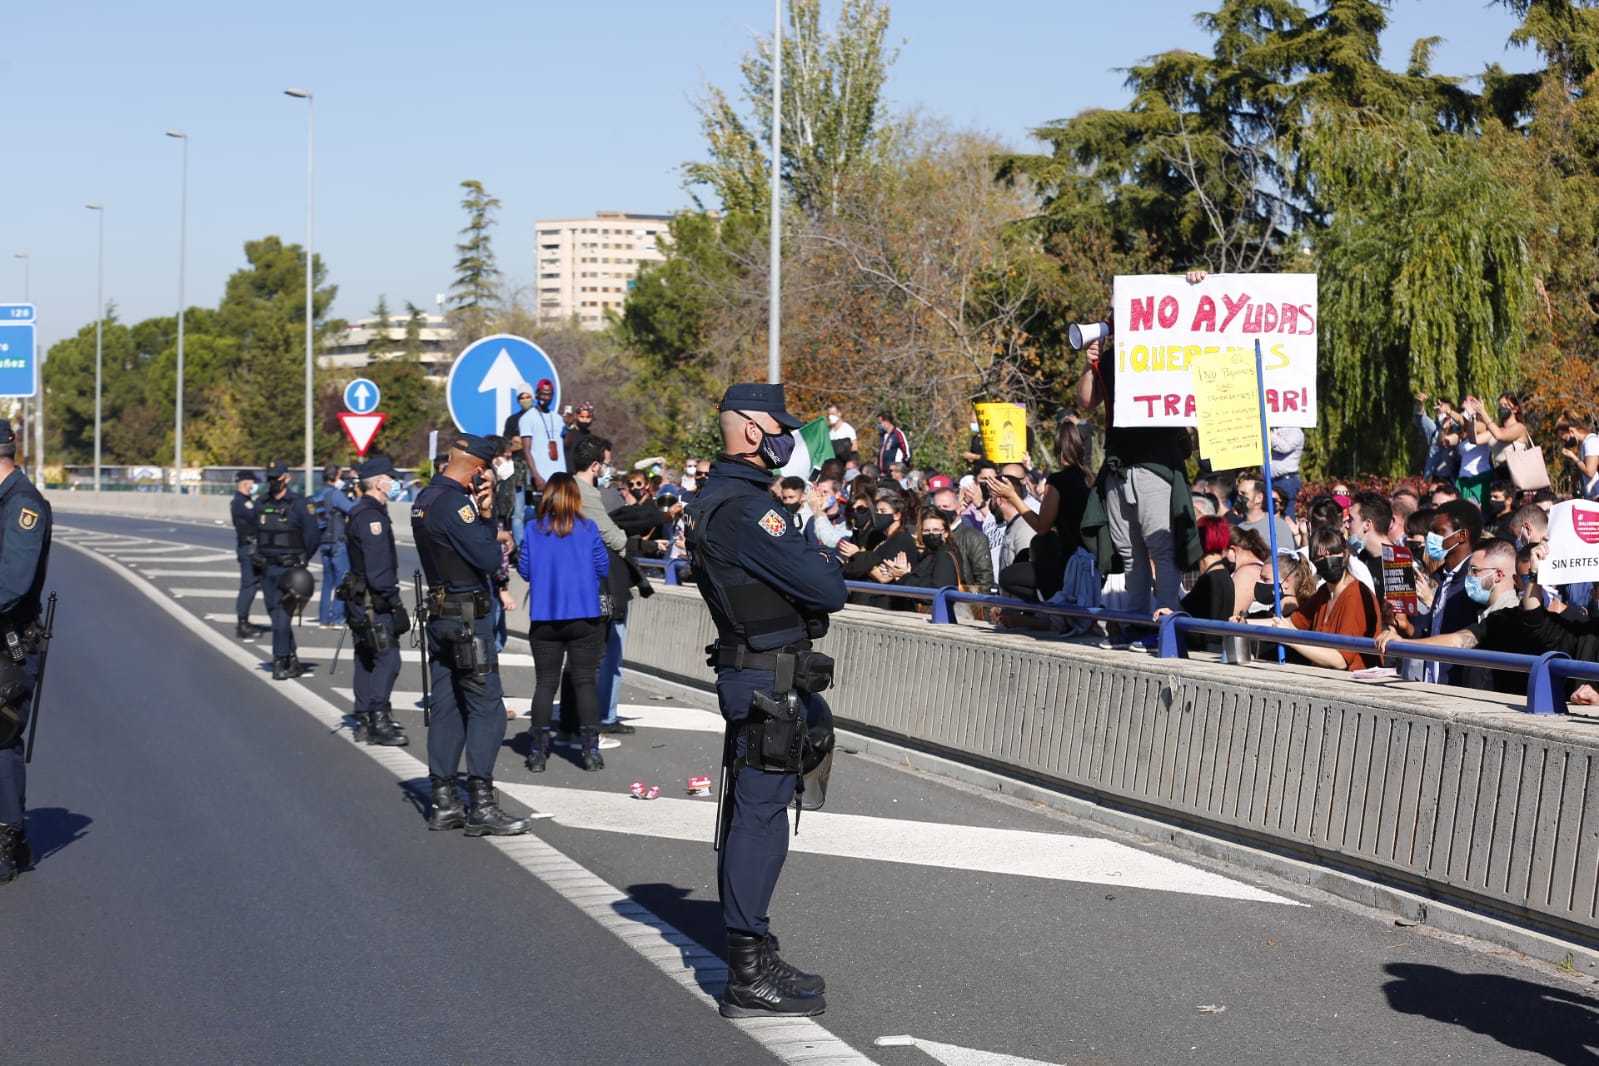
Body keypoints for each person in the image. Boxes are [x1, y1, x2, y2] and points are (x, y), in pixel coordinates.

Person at [684, 381, 846, 1019]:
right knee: (759, 820)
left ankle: (754, 947)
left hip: (760, 675)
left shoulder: (718, 500)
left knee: (755, 813)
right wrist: (811, 539)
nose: (786, 436)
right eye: (778, 426)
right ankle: (747, 972)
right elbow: (824, 587)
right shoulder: (749, 509)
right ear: (751, 430)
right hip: (766, 682)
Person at [411, 435, 528, 838]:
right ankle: (481, 803)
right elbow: (486, 556)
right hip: (467, 618)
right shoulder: (457, 504)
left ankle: (443, 801)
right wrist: (488, 520)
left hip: (440, 615)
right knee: (486, 708)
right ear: (479, 470)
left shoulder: (425, 498)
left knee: (446, 705)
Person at [518, 473, 610, 772]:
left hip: (545, 617)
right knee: (584, 683)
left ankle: (538, 752)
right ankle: (590, 751)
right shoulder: (588, 528)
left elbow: (525, 570)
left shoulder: (533, 529)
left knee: (545, 684)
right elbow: (602, 566)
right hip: (584, 615)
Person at [1375, 538, 1535, 693]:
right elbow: (1457, 637)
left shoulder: (1508, 615)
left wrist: (1404, 644)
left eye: (1474, 570)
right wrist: (1407, 633)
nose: (1469, 577)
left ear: (1498, 575)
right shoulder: (1484, 613)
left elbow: (1459, 641)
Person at [0, 420, 51, 885]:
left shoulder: (22, 505)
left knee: (0, 739)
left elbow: (12, 585)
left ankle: (7, 841)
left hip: (9, 646)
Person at [1244, 525, 1380, 670]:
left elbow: (1340, 660)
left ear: (1345, 555)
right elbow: (1290, 623)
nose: (1326, 561)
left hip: (1353, 681)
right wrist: (1244, 623)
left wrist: (1291, 638)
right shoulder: (1323, 593)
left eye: (1332, 554)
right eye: (1320, 557)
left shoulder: (1356, 595)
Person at [343, 455, 410, 747]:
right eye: (392, 478)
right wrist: (394, 603)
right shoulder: (371, 517)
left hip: (360, 598)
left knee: (366, 655)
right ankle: (377, 718)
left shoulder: (364, 511)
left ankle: (364, 718)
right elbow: (379, 569)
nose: (395, 483)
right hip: (373, 601)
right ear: (380, 482)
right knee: (387, 658)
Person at [255, 460, 321, 681]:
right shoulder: (261, 503)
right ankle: (291, 656)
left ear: (286, 478)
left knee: (283, 617)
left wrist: (302, 559)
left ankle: (279, 661)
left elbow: (313, 535)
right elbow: (254, 532)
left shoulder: (300, 504)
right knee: (275, 616)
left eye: (277, 478)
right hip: (267, 569)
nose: (273, 482)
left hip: (290, 570)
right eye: (270, 478)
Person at [316, 464, 356, 629]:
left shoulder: (319, 494)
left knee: (327, 583)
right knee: (341, 582)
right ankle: (338, 618)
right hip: (338, 542)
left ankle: (324, 620)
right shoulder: (336, 495)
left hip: (324, 542)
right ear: (336, 476)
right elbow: (353, 509)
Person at [518, 377, 566, 499]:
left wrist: (569, 426)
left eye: (548, 394)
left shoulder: (558, 418)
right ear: (537, 394)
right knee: (544, 515)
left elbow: (566, 445)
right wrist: (536, 476)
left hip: (560, 477)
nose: (545, 397)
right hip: (542, 478)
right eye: (543, 394)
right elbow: (526, 450)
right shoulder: (527, 418)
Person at [230, 469, 262, 640]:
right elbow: (255, 516)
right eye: (252, 482)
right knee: (248, 586)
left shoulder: (246, 500)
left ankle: (244, 620)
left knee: (253, 584)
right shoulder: (240, 502)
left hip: (251, 548)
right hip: (248, 548)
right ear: (245, 483)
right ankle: (242, 624)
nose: (254, 485)